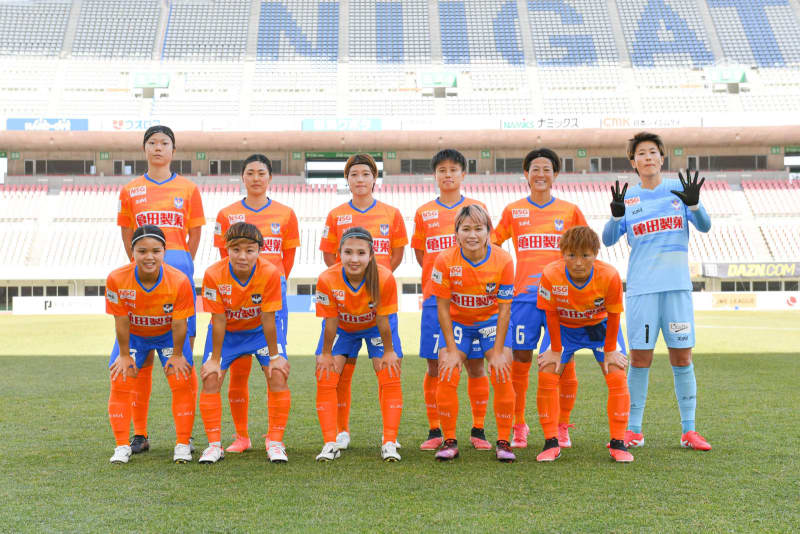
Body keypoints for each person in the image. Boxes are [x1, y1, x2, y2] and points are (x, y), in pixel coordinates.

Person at [603, 131, 712, 451]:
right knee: (640, 358)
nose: (648, 157)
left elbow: (705, 226)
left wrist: (694, 205)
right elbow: (608, 239)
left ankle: (689, 430)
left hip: (676, 288)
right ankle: (633, 430)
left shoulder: (679, 190)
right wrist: (616, 216)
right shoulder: (629, 197)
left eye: (653, 152)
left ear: (662, 158)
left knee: (682, 355)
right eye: (641, 153)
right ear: (633, 162)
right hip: (642, 290)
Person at [117, 125, 204, 455]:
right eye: (152, 142)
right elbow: (127, 233)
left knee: (182, 360)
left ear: (173, 150)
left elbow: (194, 233)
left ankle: (186, 435)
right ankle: (139, 434)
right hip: (143, 278)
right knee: (141, 360)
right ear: (144, 149)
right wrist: (141, 264)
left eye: (164, 143)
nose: (158, 147)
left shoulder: (189, 189)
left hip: (178, 279)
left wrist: (181, 263)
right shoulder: (130, 190)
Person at [493, 148, 587, 450]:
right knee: (520, 360)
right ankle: (519, 425)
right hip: (524, 298)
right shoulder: (513, 210)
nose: (541, 174)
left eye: (547, 169)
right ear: (526, 173)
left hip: (562, 299)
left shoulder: (570, 211)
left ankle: (562, 425)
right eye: (535, 169)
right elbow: (493, 243)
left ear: (555, 174)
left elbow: (585, 250)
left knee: (564, 360)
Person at [318, 153, 407, 450]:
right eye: (354, 174)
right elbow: (329, 256)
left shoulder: (391, 213)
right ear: (347, 179)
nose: (360, 179)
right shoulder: (336, 215)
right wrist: (349, 284)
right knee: (339, 373)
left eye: (365, 174)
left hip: (378, 303)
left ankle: (389, 437)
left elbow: (396, 254)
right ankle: (340, 432)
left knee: (388, 370)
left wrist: (376, 282)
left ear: (374, 178)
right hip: (345, 309)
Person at [213, 154, 299, 453]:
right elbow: (223, 257)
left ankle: (274, 437)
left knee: (274, 366)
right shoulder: (227, 214)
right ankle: (241, 437)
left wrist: (273, 282)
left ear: (270, 177)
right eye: (250, 173)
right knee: (238, 369)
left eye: (261, 173)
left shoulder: (286, 213)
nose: (256, 178)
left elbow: (288, 257)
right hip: (236, 296)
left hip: (271, 294)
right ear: (243, 177)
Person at [411, 149, 493, 451]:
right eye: (442, 170)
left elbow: (487, 251)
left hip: (472, 302)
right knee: (435, 366)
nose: (447, 175)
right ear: (435, 175)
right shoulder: (424, 212)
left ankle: (479, 428)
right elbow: (421, 254)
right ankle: (436, 429)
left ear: (463, 174)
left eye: (453, 169)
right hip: (436, 299)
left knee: (475, 365)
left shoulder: (478, 208)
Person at [535, 226, 633, 462]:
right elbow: (550, 314)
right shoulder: (550, 274)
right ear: (563, 254)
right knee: (547, 371)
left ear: (595, 254)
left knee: (617, 373)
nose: (578, 262)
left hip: (599, 327)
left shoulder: (609, 275)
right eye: (571, 255)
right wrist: (555, 350)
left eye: (585, 255)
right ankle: (551, 442)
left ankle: (618, 443)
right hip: (563, 327)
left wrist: (610, 350)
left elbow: (614, 315)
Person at [199, 222, 291, 464]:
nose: (242, 256)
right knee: (211, 377)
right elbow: (218, 320)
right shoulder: (213, 274)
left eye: (249, 250)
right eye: (236, 249)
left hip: (259, 331)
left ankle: (275, 442)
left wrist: (275, 358)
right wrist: (215, 360)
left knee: (278, 374)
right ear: (226, 249)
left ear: (259, 250)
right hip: (228, 334)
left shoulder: (270, 272)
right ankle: (215, 445)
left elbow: (268, 318)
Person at [432, 205, 516, 462]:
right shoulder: (444, 260)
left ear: (488, 232)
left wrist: (498, 352)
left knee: (502, 370)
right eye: (466, 229)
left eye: (478, 229)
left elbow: (504, 310)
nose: (472, 235)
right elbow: (442, 308)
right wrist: (451, 350)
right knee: (447, 369)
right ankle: (449, 440)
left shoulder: (504, 260)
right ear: (456, 233)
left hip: (490, 320)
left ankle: (504, 442)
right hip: (458, 322)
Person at [106, 225, 196, 464]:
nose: (149, 257)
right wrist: (124, 355)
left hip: (168, 336)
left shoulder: (179, 280)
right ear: (132, 252)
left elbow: (180, 324)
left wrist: (177, 355)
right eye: (142, 251)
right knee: (120, 377)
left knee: (181, 378)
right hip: (135, 336)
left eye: (156, 251)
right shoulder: (117, 278)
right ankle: (122, 446)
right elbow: (121, 321)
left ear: (164, 252)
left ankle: (183, 443)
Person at [314, 227, 404, 462]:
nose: (354, 259)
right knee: (326, 374)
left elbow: (383, 320)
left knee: (389, 372)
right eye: (348, 252)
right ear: (339, 253)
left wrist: (389, 351)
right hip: (343, 327)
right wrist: (326, 353)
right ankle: (332, 441)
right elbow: (330, 322)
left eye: (361, 253)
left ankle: (389, 441)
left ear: (371, 255)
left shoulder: (384, 277)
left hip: (376, 326)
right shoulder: (327, 279)